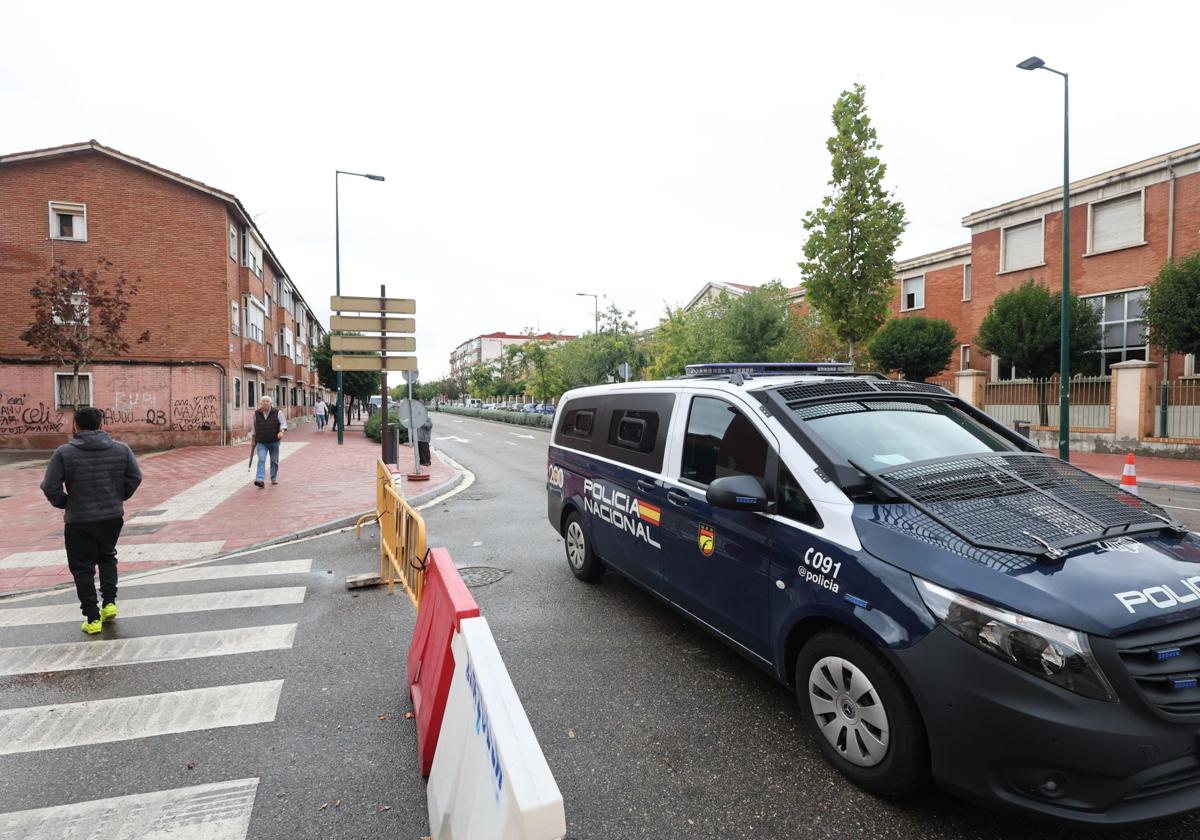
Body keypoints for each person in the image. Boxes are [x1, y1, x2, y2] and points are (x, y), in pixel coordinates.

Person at [40, 406, 142, 635]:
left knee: (82, 568)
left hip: (79, 520)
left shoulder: (64, 453)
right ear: (102, 424)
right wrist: (118, 496)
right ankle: (109, 603)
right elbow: (135, 477)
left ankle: (92, 617)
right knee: (107, 556)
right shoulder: (121, 449)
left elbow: (49, 486)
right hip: (112, 516)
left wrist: (65, 502)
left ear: (75, 425)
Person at [252, 395, 287, 487]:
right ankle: (260, 479)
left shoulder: (277, 412)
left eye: (267, 401)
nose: (265, 403)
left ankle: (273, 477)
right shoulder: (257, 413)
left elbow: (283, 423)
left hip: (274, 441)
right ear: (261, 403)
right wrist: (253, 440)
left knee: (274, 461)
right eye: (263, 401)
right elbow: (254, 428)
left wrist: (281, 431)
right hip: (261, 441)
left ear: (271, 403)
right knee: (261, 460)